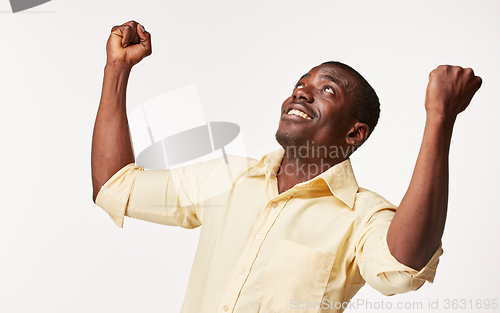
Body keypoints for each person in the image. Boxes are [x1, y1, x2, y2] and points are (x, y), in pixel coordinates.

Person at [91, 21, 482, 313]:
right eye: (300, 83)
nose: (301, 91)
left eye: (327, 89)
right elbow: (114, 185)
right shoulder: (226, 179)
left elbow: (403, 266)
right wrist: (117, 69)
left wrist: (440, 117)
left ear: (354, 133)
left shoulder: (364, 217)